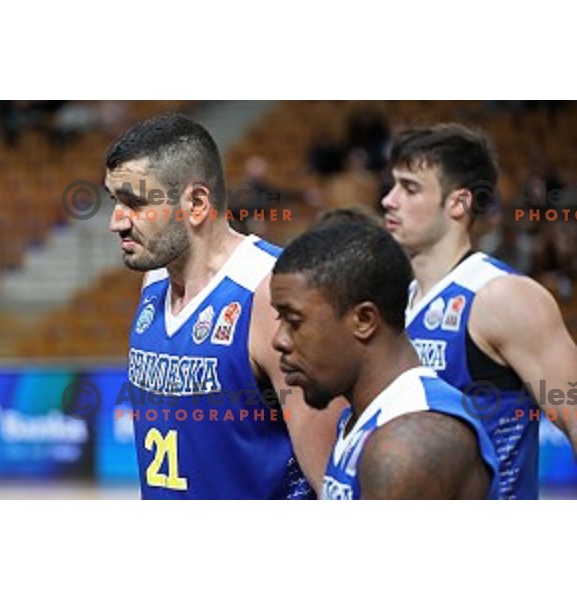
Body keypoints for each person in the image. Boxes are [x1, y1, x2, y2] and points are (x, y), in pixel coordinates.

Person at [104, 112, 341, 499]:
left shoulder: (273, 290)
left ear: (197, 203)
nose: (117, 222)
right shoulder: (155, 279)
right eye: (115, 201)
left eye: (134, 203)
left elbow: (332, 483)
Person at [381, 123, 577, 499]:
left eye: (409, 188)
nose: (389, 200)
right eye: (392, 185)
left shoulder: (502, 297)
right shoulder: (397, 302)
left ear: (458, 203)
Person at [270, 222, 499, 499]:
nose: (278, 340)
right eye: (278, 318)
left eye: (294, 321)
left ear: (364, 320)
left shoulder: (409, 444)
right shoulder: (364, 418)